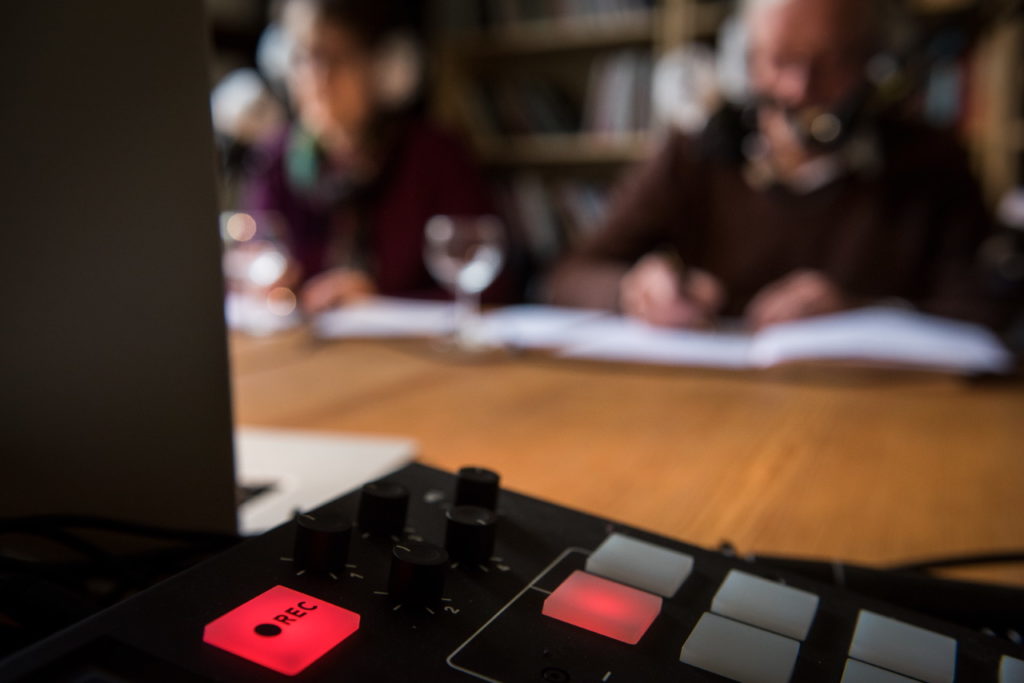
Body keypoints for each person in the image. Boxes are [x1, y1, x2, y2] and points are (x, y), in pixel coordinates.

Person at [548, 0, 1003, 331]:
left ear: (875, 65)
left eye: (830, 62)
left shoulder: (931, 160)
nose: (799, 89)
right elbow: (568, 277)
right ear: (742, 63)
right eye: (780, 59)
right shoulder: (694, 153)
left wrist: (862, 312)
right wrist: (633, 291)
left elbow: (988, 310)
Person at [244, 0, 514, 313]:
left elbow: (491, 287)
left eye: (337, 58)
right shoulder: (274, 158)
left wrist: (380, 300)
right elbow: (254, 257)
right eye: (301, 57)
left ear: (386, 68)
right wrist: (266, 282)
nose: (317, 76)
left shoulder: (436, 156)